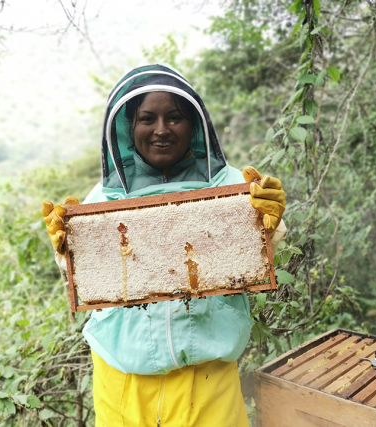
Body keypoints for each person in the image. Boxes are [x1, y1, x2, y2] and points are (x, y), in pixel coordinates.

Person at [42, 64, 286, 427]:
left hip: (207, 377)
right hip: (122, 377)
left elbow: (262, 251)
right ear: (128, 127)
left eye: (174, 117)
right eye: (147, 118)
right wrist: (67, 247)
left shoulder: (232, 183)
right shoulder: (106, 195)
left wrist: (273, 221)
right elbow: (83, 276)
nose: (161, 129)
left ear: (193, 124)